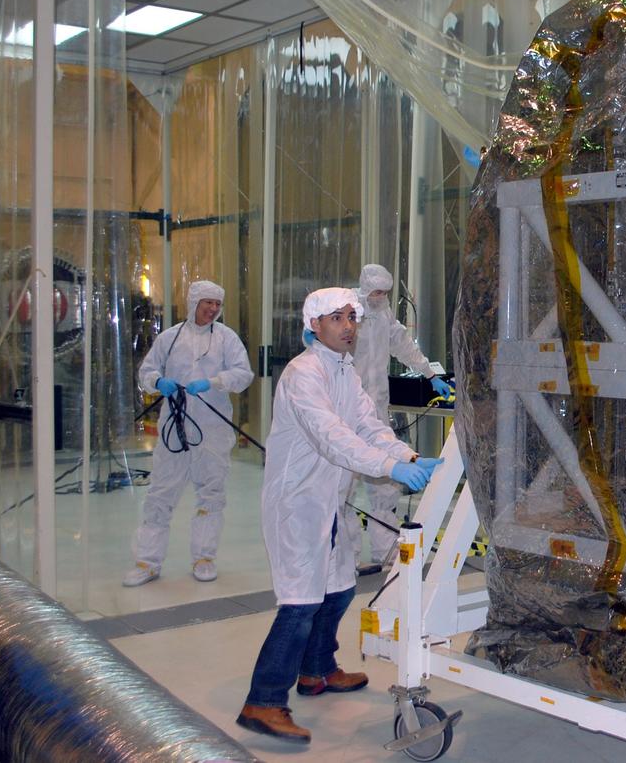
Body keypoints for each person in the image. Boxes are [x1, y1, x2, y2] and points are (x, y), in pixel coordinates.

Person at [236, 287, 442, 743]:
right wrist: (387, 467)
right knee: (300, 602)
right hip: (297, 504)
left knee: (340, 587)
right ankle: (264, 700)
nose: (349, 326)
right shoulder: (303, 374)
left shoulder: (344, 371)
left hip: (328, 499)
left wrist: (406, 457)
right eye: (338, 318)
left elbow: (368, 426)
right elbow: (333, 437)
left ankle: (317, 671)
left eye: (353, 317)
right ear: (314, 325)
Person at [124, 279, 253, 586]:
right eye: (207, 302)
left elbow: (243, 373)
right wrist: (159, 383)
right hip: (175, 425)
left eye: (217, 304)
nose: (213, 309)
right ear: (194, 302)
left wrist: (215, 381)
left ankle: (204, 557)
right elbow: (147, 371)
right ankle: (148, 561)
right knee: (160, 493)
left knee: (211, 493)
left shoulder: (226, 338)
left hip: (213, 428)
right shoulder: (170, 337)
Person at [349, 263, 452, 571]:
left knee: (385, 485)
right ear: (365, 289)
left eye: (385, 293)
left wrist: (430, 373)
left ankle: (387, 551)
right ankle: (346, 557)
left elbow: (404, 346)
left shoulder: (383, 316)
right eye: (376, 293)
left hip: (376, 411)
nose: (380, 298)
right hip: (346, 411)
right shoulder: (347, 314)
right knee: (345, 486)